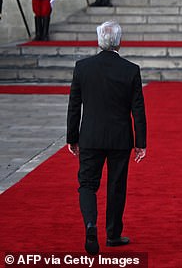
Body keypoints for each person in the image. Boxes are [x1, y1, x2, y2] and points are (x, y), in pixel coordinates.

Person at [67, 21, 147, 255]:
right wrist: (140, 142)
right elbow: (138, 109)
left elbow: (74, 106)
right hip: (120, 138)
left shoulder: (82, 67)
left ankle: (90, 224)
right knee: (116, 186)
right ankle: (112, 234)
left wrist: (72, 137)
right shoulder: (131, 70)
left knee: (87, 185)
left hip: (90, 135)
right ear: (119, 43)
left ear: (99, 41)